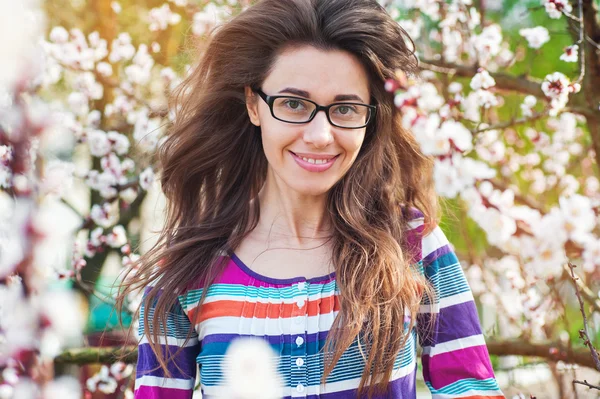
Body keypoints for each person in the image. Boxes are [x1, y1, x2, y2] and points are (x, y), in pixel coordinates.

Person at [119, 0, 505, 398]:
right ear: (254, 104)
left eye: (346, 108)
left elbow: (471, 388)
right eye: (294, 104)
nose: (320, 135)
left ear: (370, 117)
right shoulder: (188, 269)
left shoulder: (412, 243)